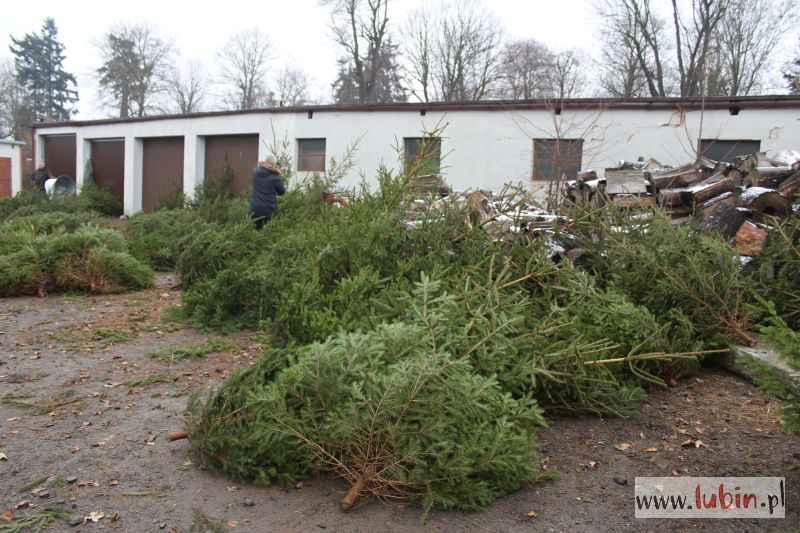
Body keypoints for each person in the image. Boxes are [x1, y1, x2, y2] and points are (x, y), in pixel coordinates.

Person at [249, 153, 285, 230]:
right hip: (268, 211)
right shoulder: (276, 177)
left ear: (265, 162)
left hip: (254, 209)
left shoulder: (255, 172)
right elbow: (282, 192)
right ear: (274, 164)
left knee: (254, 233)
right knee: (267, 232)